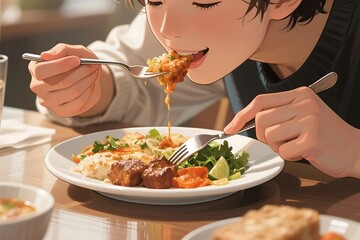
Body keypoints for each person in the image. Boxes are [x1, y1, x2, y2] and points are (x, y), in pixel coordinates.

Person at [28, 0, 360, 179]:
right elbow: (129, 65)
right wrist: (89, 87)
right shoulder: (194, 26)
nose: (168, 29)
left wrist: (354, 152)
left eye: (204, 2)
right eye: (154, 0)